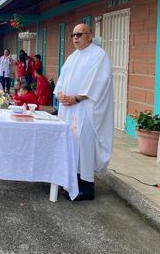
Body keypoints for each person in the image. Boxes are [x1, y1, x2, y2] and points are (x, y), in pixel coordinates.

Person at [54, 23, 114, 201]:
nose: (75, 38)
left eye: (79, 34)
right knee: (71, 144)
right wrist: (61, 94)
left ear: (90, 36)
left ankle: (87, 187)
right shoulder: (73, 57)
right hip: (69, 109)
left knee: (84, 145)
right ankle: (72, 183)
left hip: (86, 110)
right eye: (73, 35)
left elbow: (99, 82)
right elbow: (63, 79)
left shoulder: (99, 55)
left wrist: (77, 98)